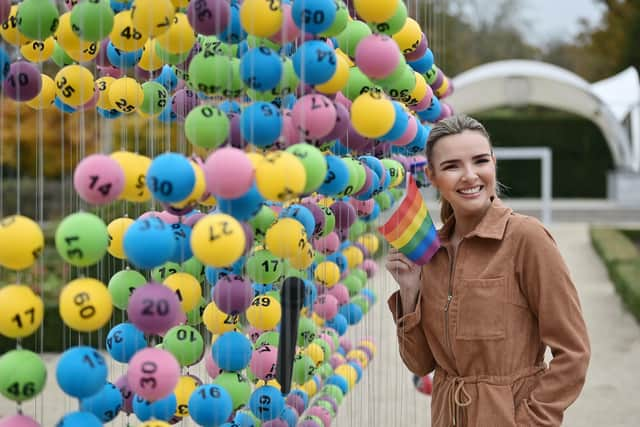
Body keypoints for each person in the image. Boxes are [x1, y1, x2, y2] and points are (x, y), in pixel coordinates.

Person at [386, 114, 590, 427]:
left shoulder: (527, 239)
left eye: (480, 161)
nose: (470, 175)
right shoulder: (430, 253)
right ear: (432, 176)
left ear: (493, 163)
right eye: (452, 166)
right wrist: (410, 292)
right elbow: (420, 363)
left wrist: (530, 421)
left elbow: (573, 353)